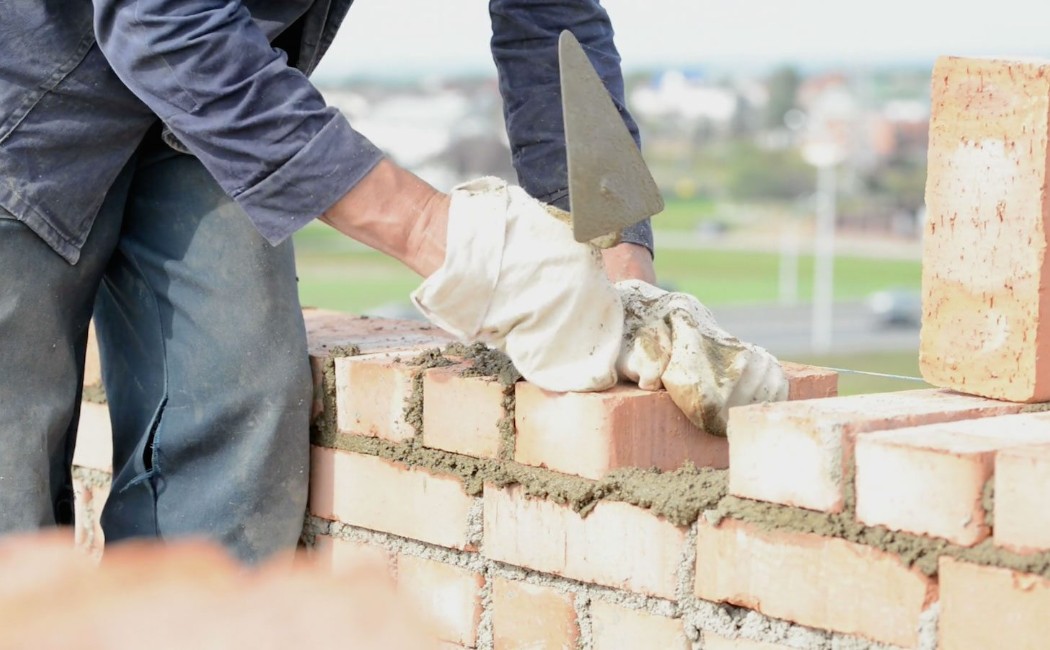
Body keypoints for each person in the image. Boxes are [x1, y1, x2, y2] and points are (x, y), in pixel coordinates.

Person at [0, 1, 787, 563]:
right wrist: (447, 241)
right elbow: (159, 18)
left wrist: (623, 276)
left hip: (196, 111)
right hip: (28, 88)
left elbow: (552, 22)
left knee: (238, 419)